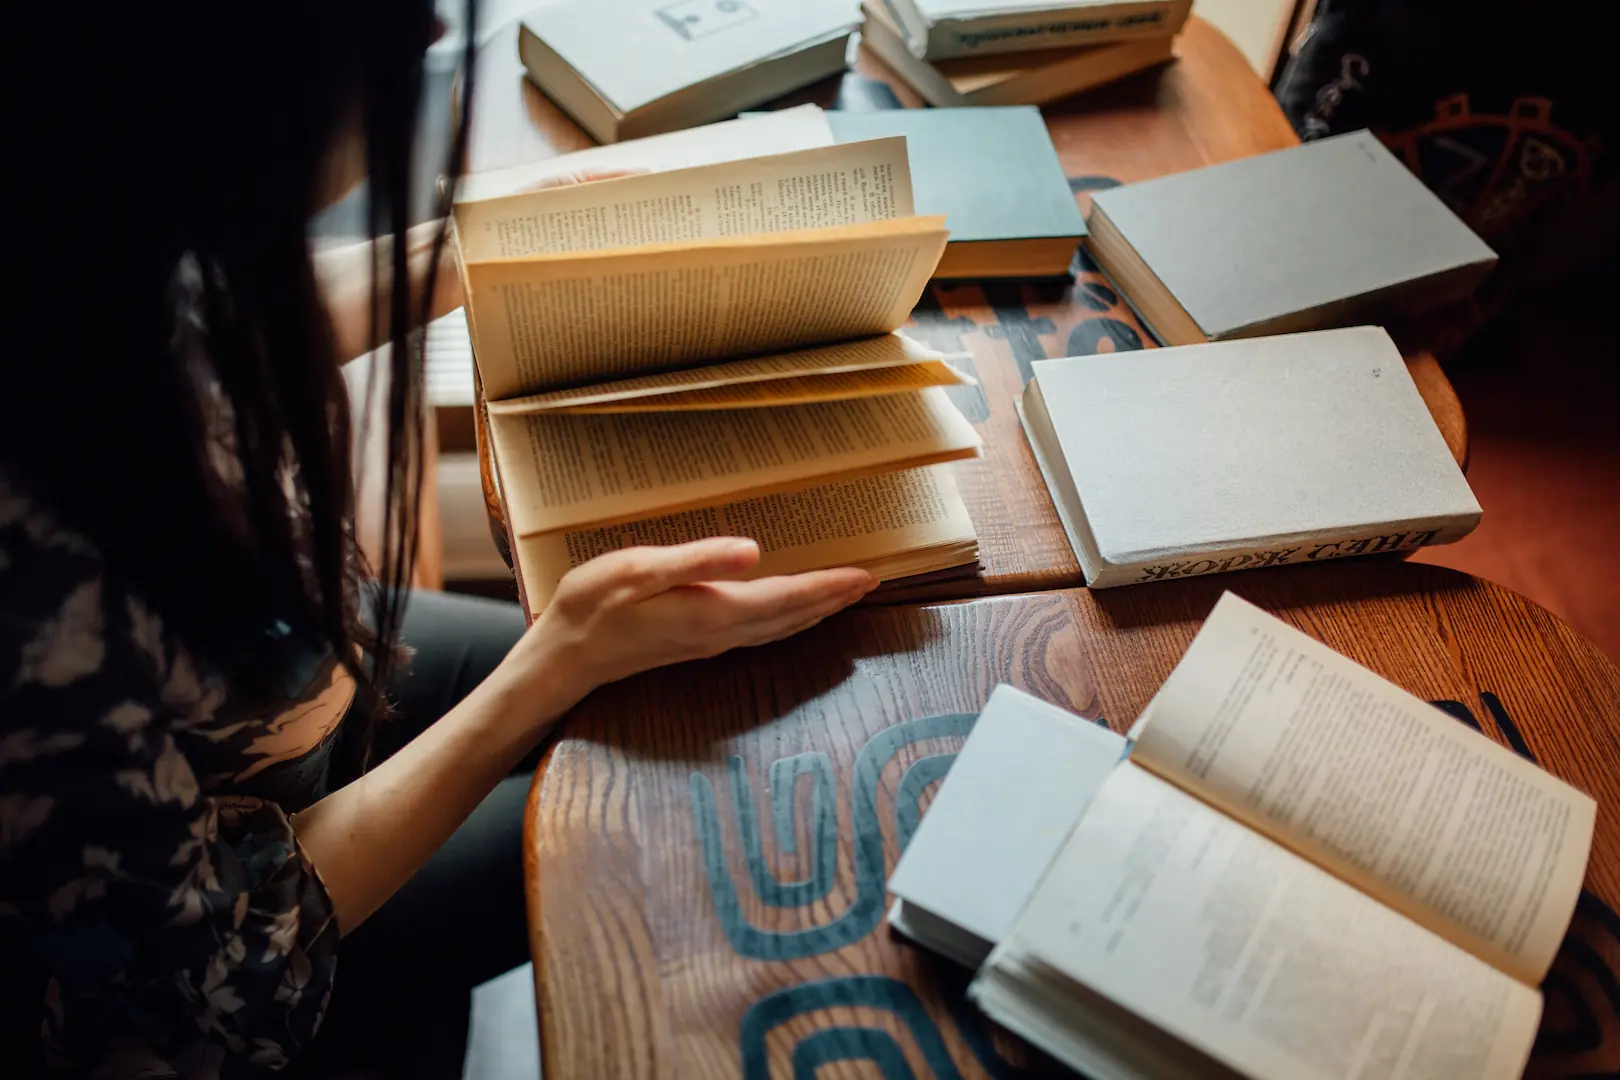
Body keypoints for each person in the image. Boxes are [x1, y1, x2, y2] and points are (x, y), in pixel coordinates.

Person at [0, 2, 875, 1077]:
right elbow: (220, 979)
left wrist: (488, 241)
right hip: (223, 961)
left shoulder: (70, 235)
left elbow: (197, 319)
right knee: (663, 807)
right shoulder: (31, 596)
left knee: (678, 689)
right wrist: (554, 663)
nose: (418, 32)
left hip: (272, 665)